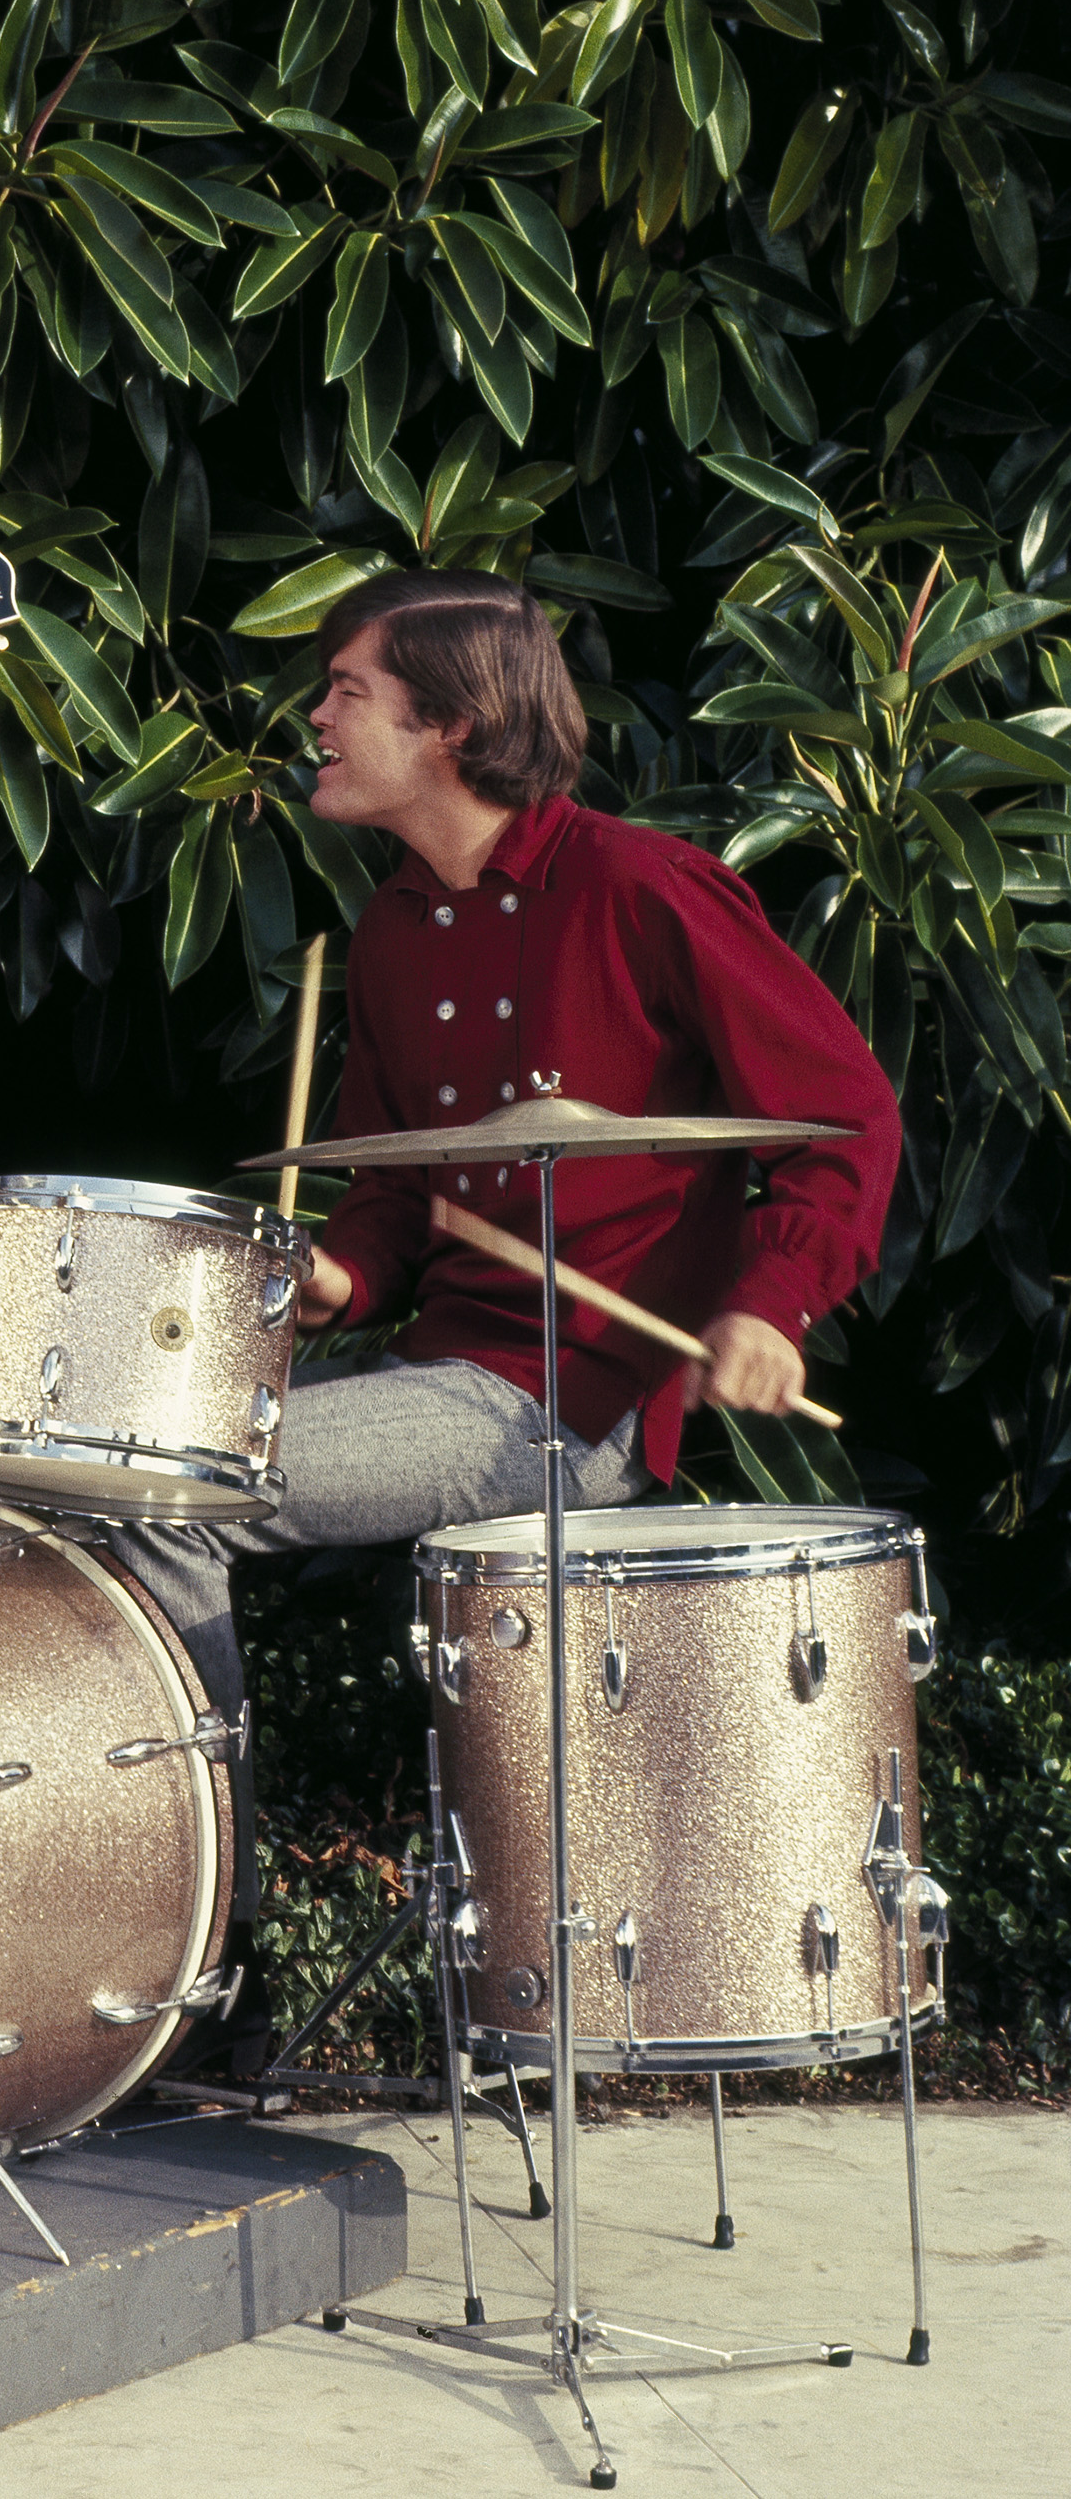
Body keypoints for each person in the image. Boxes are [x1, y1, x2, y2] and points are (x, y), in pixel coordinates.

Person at [109, 568, 902, 2026]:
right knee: (119, 1456)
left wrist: (772, 1300)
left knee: (175, 1487)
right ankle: (148, 1901)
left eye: (348, 687)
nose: (319, 714)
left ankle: (202, 1933)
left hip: (569, 1401)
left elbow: (846, 1117)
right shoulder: (396, 930)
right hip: (443, 1374)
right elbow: (396, 1203)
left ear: (453, 724)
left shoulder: (643, 886)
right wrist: (319, 1278)